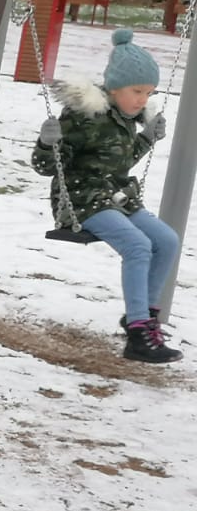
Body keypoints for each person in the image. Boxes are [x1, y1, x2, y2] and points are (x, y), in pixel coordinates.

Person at [31, 28, 183, 363]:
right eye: (137, 91)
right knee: (138, 245)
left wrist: (146, 138)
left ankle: (143, 319)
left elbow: (119, 163)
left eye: (149, 93)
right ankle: (139, 335)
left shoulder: (126, 118)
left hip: (116, 197)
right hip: (81, 200)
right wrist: (45, 143)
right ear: (115, 87)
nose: (143, 99)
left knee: (167, 240)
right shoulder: (84, 116)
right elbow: (47, 167)